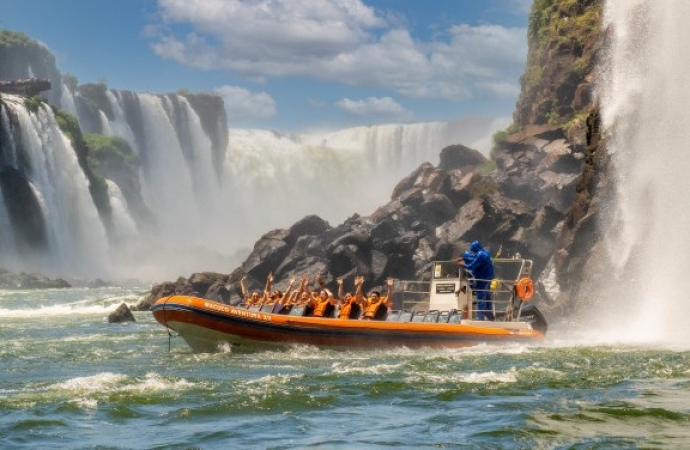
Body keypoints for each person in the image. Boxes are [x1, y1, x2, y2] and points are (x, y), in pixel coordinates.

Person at [457, 240, 495, 320]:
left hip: (482, 278)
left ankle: (480, 317)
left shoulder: (480, 255)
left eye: (472, 249)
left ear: (475, 248)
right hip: (489, 278)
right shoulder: (485, 252)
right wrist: (464, 258)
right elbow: (474, 258)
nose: (472, 251)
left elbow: (472, 265)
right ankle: (490, 316)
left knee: (480, 296)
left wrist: (463, 264)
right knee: (487, 297)